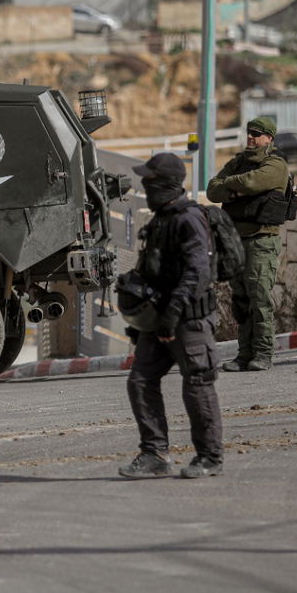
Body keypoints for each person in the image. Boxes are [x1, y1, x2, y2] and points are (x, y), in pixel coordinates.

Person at [118, 153, 224, 480]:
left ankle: (209, 457)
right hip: (159, 321)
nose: (145, 186)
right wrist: (144, 322)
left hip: (188, 319)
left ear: (165, 184)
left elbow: (197, 272)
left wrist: (173, 313)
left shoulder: (188, 218)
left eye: (150, 181)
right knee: (140, 381)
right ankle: (154, 454)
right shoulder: (161, 218)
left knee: (197, 385)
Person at [206, 115, 288, 372]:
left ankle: (263, 353)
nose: (251, 137)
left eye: (256, 133)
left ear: (269, 138)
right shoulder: (238, 162)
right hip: (236, 241)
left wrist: (233, 187)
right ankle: (244, 353)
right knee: (241, 299)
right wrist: (236, 188)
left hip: (261, 239)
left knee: (260, 298)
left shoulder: (275, 164)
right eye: (249, 132)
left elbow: (255, 181)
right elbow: (212, 190)